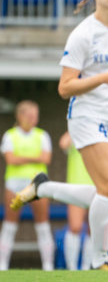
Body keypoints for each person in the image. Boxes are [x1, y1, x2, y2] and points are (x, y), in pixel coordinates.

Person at [11, 0, 108, 271]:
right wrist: (101, 78)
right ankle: (99, 261)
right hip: (86, 115)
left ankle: (43, 188)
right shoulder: (83, 34)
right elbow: (64, 87)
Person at [0, 100, 54, 271]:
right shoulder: (10, 135)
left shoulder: (42, 135)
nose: (33, 119)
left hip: (37, 186)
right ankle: (3, 266)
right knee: (9, 225)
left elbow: (46, 158)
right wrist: (34, 157)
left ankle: (48, 266)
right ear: (20, 116)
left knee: (43, 225)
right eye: (30, 116)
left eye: (35, 116)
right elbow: (10, 159)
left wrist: (21, 158)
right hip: (14, 185)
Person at [59, 131, 94, 270]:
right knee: (75, 227)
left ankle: (86, 267)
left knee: (93, 229)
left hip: (96, 186)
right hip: (76, 186)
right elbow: (63, 143)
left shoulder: (102, 133)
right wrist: (76, 126)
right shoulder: (76, 132)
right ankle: (72, 267)